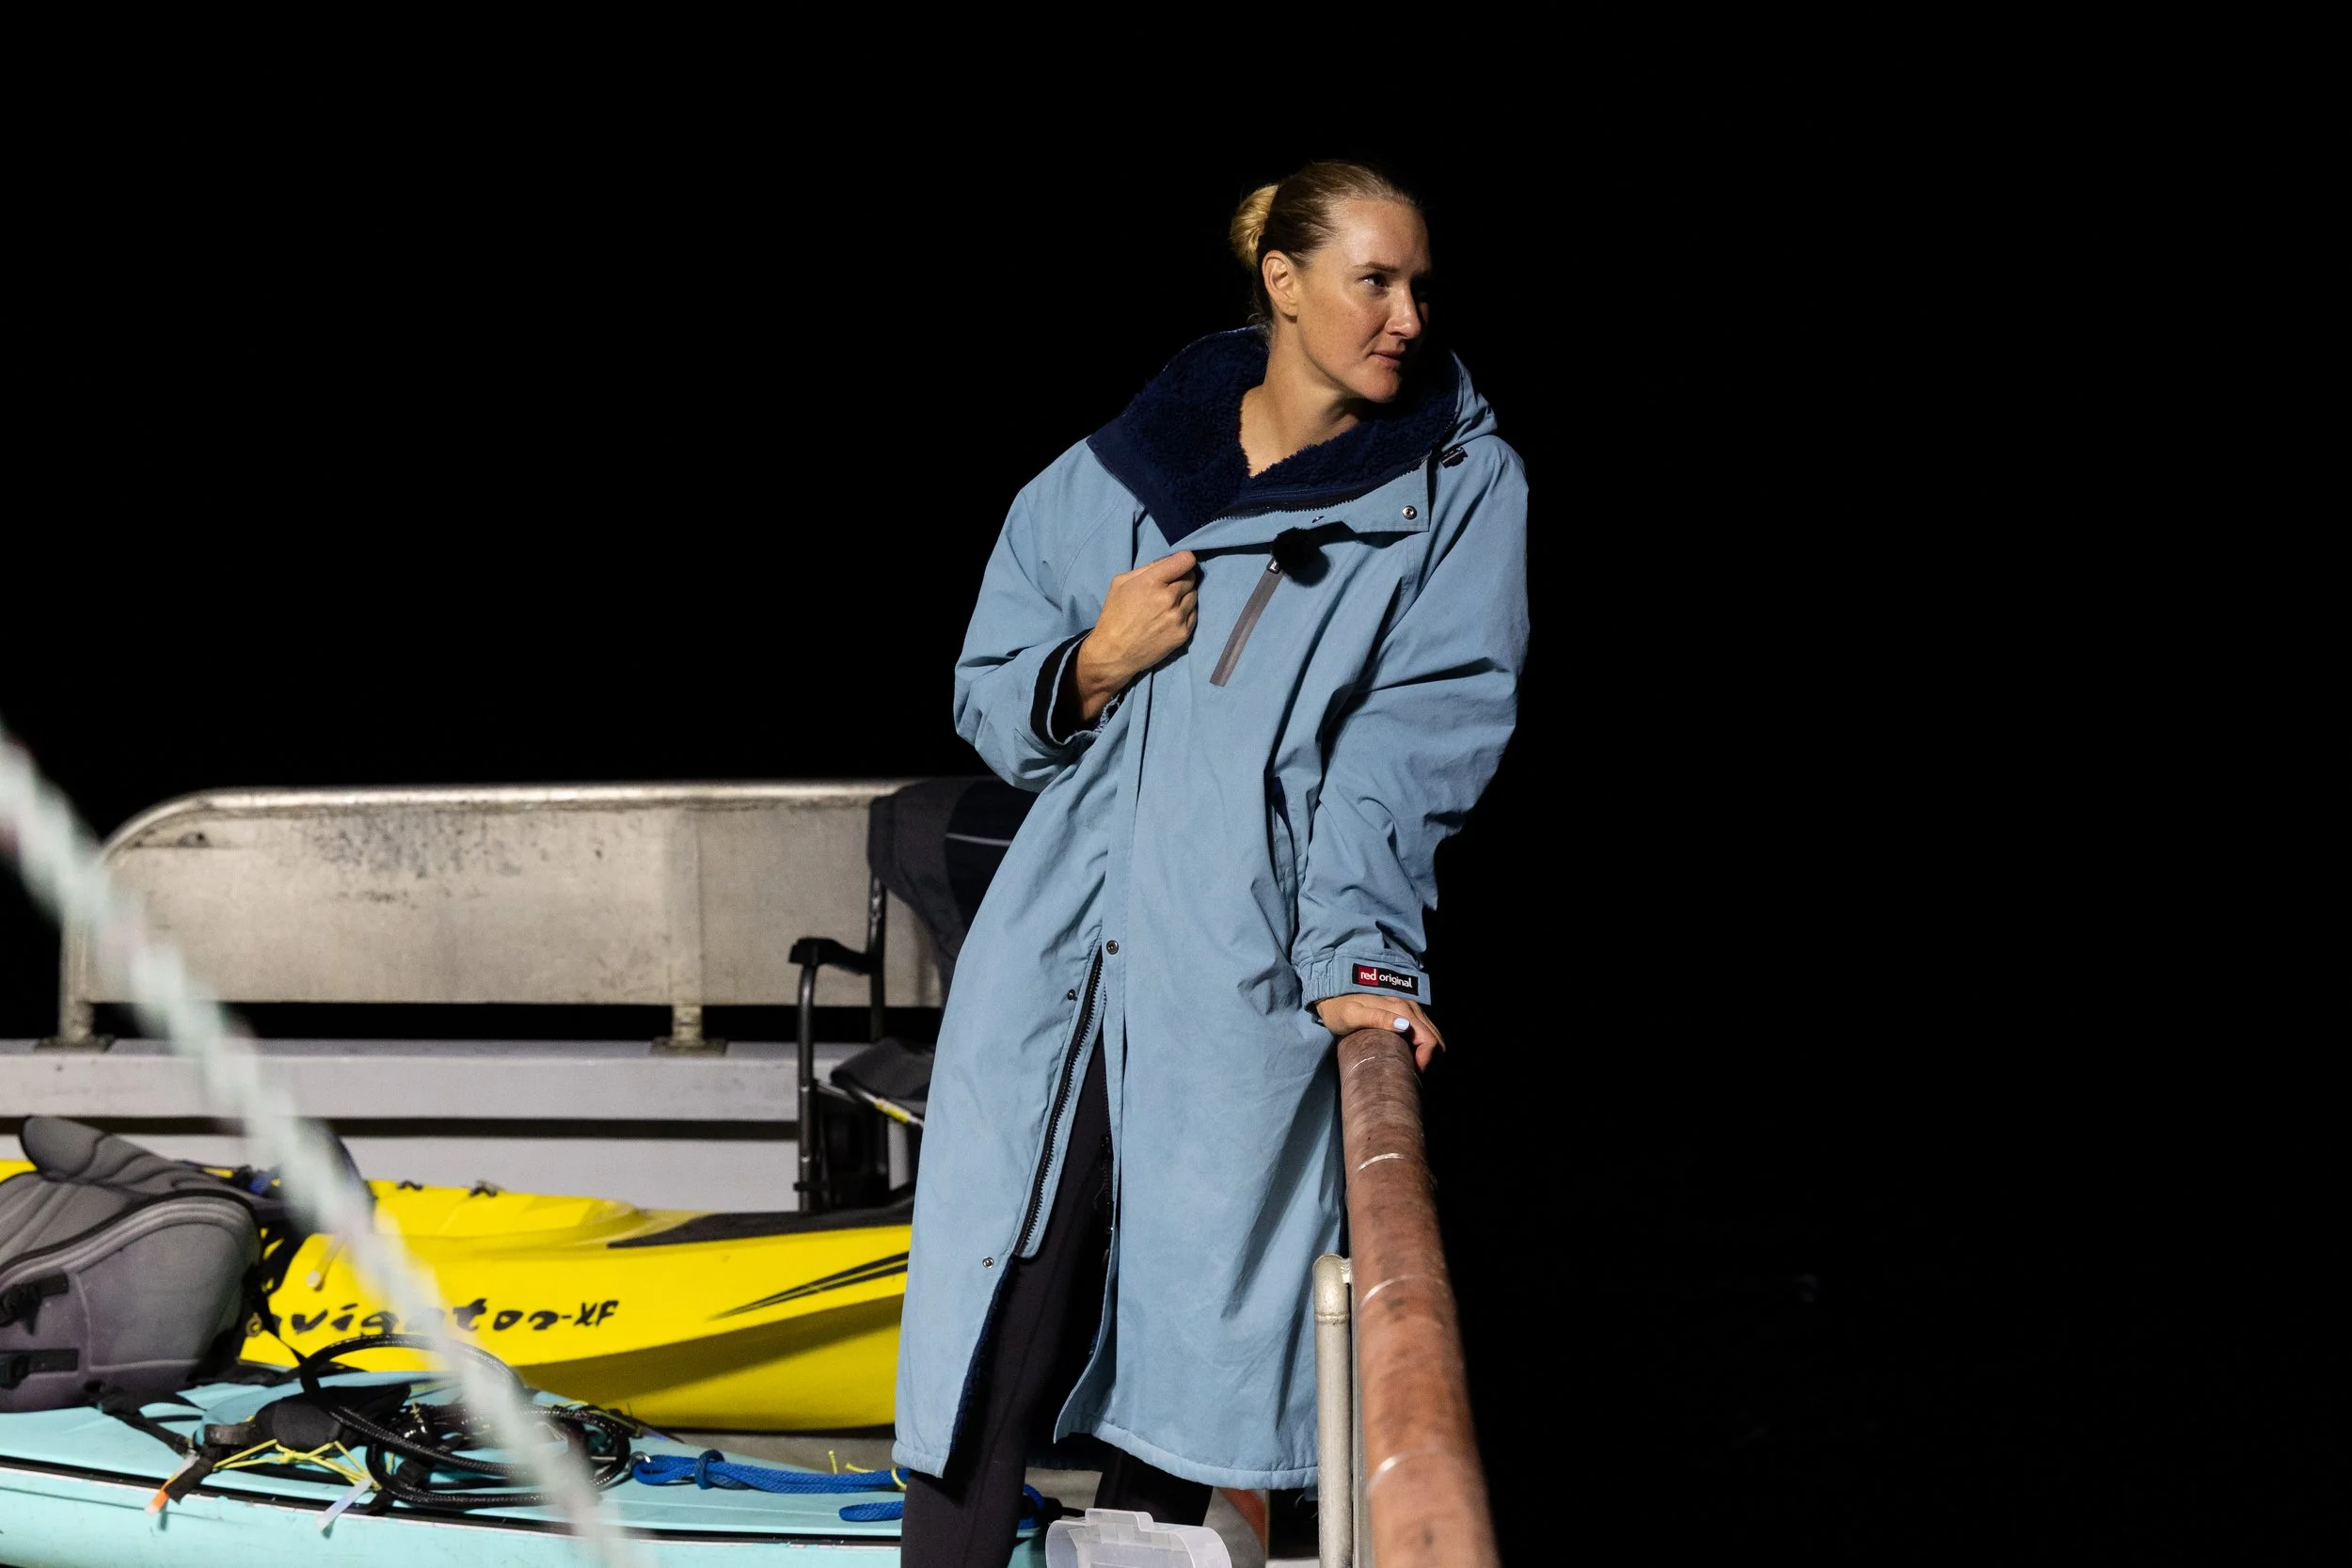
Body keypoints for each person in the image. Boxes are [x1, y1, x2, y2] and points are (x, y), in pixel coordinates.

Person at [893, 160, 1528, 1566]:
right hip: (1060, 945)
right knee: (996, 1310)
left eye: (1421, 286)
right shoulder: (1122, 468)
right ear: (1283, 284)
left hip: (1240, 953)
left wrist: (1362, 956)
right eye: (1374, 281)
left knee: (1199, 1342)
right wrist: (1094, 662)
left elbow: (1415, 745)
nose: (1409, 317)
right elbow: (992, 691)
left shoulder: (1455, 486)